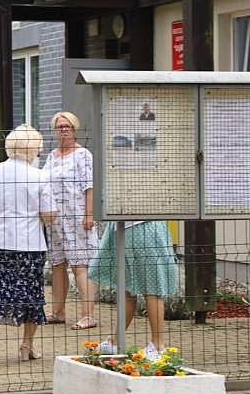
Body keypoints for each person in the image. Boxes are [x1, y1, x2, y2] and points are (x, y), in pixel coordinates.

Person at [0, 125, 56, 364]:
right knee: (31, 293)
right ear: (33, 150)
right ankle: (27, 345)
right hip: (29, 244)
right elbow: (47, 215)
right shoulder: (39, 176)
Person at [42, 112, 98, 330]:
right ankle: (57, 312)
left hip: (77, 216)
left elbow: (89, 185)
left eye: (67, 126)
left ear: (75, 129)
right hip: (55, 219)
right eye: (59, 126)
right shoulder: (51, 155)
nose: (63, 130)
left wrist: (89, 213)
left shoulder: (82, 155)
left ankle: (88, 315)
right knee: (57, 265)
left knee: (80, 265)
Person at [88, 221, 177, 356]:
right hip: (127, 227)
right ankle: (115, 342)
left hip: (142, 226)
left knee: (151, 290)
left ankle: (158, 345)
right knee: (127, 288)